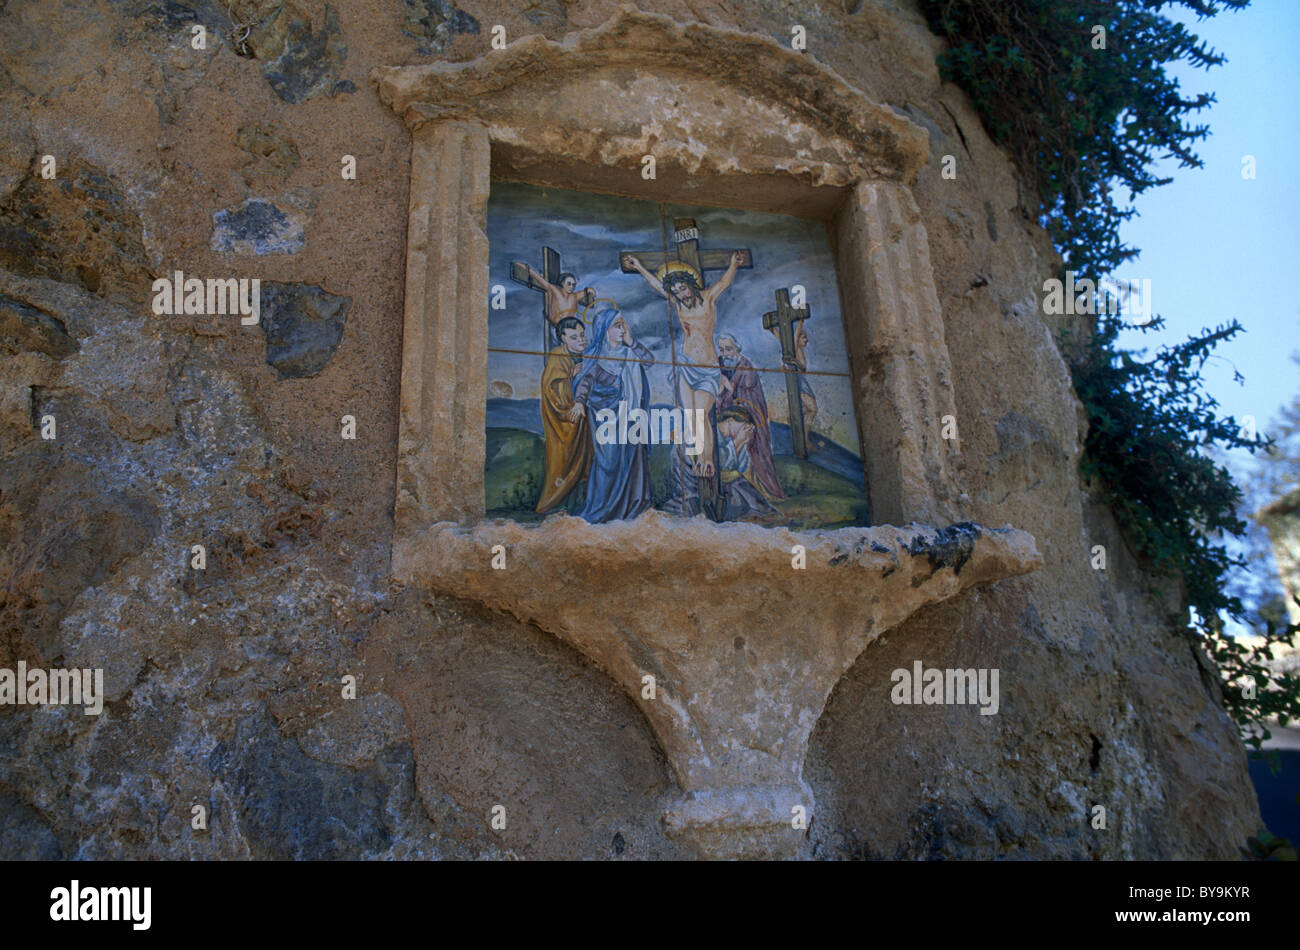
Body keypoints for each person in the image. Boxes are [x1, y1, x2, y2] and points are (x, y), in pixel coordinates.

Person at [621, 252, 745, 477]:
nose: (680, 294)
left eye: (683, 289)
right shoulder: (679, 305)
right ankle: (698, 460)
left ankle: (708, 459)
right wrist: (639, 267)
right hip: (686, 365)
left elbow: (725, 283)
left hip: (707, 369)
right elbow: (658, 287)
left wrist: (733, 265)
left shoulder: (707, 298)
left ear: (691, 285)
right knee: (691, 416)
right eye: (676, 291)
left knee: (701, 414)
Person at [571, 308, 654, 523]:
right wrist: (580, 402)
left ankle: (633, 506)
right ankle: (602, 507)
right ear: (604, 330)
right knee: (608, 462)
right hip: (606, 416)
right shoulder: (595, 356)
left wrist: (632, 341)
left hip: (631, 415)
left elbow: (649, 361)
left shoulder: (630, 352)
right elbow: (586, 381)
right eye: (617, 326)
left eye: (623, 325)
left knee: (634, 458)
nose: (622, 329)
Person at [716, 333, 784, 499]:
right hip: (727, 422)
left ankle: (760, 491)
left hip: (746, 420)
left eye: (728, 349)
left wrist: (729, 389)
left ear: (737, 348)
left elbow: (750, 402)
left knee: (750, 456)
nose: (725, 353)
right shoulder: (719, 365)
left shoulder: (746, 370)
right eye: (721, 349)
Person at [535, 316, 592, 514]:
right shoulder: (557, 357)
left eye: (583, 335)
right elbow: (553, 391)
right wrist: (572, 377)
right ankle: (554, 505)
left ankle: (579, 505)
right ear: (563, 339)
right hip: (563, 422)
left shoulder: (586, 355)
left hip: (582, 420)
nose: (581, 340)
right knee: (563, 463)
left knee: (585, 462)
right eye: (574, 337)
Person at [715, 406, 778, 521]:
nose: (746, 430)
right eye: (744, 427)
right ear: (730, 421)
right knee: (737, 485)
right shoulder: (711, 432)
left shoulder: (731, 437)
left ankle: (760, 511)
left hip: (727, 479)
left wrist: (742, 443)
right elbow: (719, 464)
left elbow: (740, 467)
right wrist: (737, 441)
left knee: (739, 482)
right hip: (709, 480)